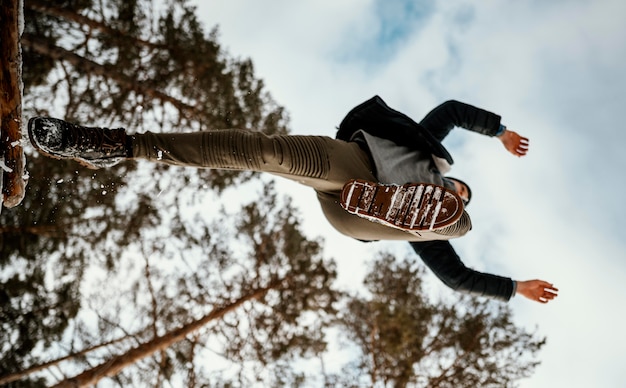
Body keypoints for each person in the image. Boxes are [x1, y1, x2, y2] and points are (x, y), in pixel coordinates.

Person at [28, 96, 558, 304]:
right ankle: (117, 146)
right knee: (261, 153)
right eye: (457, 189)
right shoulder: (429, 148)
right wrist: (501, 130)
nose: (456, 191)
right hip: (351, 164)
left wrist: (513, 286)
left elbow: (454, 277)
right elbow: (451, 109)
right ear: (451, 176)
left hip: (361, 217)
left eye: (458, 198)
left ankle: (395, 209)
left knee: (448, 229)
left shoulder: (437, 222)